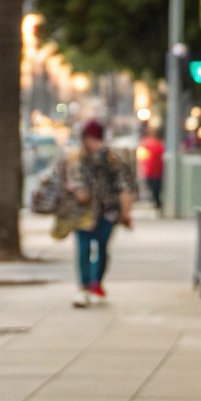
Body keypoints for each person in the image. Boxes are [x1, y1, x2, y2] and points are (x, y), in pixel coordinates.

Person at [60, 119, 134, 308]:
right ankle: (84, 286)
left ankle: (96, 284)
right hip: (83, 214)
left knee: (102, 249)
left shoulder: (112, 160)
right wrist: (78, 192)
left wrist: (126, 213)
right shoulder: (76, 159)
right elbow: (72, 182)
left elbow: (124, 186)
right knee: (84, 249)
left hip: (106, 212)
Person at [136, 125, 165, 208]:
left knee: (154, 190)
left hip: (151, 171)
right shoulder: (159, 144)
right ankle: (157, 203)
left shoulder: (146, 144)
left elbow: (142, 158)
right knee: (156, 189)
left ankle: (157, 203)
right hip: (157, 171)